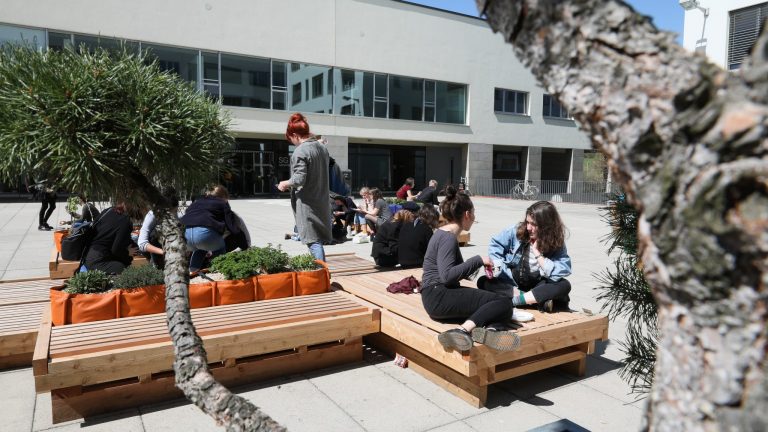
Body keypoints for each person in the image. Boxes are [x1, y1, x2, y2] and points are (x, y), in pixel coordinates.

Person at [420, 185, 520, 352]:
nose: (474, 217)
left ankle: (491, 330)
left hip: (435, 296)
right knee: (503, 302)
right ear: (467, 214)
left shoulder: (441, 233)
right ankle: (461, 330)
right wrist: (479, 259)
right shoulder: (448, 238)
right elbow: (447, 276)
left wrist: (479, 267)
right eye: (473, 213)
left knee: (499, 309)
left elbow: (452, 271)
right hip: (438, 296)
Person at [484, 200, 572, 313]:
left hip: (538, 286)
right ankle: (533, 301)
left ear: (547, 226)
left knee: (564, 285)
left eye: (534, 224)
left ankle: (514, 302)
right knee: (484, 281)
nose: (528, 228)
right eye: (527, 222)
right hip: (513, 284)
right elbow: (496, 244)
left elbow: (559, 271)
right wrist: (497, 266)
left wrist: (537, 253)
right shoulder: (516, 231)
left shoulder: (556, 243)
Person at [277, 113, 332, 261]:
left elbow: (299, 178)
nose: (292, 142)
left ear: (295, 135)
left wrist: (285, 183)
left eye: (290, 139)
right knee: (317, 238)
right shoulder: (321, 148)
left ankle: (322, 274)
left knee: (312, 240)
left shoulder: (301, 151)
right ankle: (322, 273)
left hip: (307, 202)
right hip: (321, 199)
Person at [181, 185, 241, 272]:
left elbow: (188, 215)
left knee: (200, 248)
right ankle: (222, 269)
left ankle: (192, 271)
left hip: (186, 238)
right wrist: (242, 242)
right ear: (224, 197)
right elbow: (232, 227)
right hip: (205, 235)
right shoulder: (222, 204)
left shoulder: (197, 203)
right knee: (219, 246)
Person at [84, 203, 136, 274]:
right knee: (124, 270)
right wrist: (128, 253)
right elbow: (116, 250)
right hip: (99, 260)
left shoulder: (108, 211)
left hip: (88, 256)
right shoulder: (124, 220)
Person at [137, 187, 179, 269]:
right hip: (152, 246)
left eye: (175, 212)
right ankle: (155, 264)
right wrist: (163, 252)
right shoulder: (151, 215)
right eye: (171, 212)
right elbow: (142, 244)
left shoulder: (173, 214)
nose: (173, 215)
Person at [398, 203, 439, 268]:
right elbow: (431, 250)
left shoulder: (407, 225)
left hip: (403, 262)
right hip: (417, 263)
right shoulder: (426, 228)